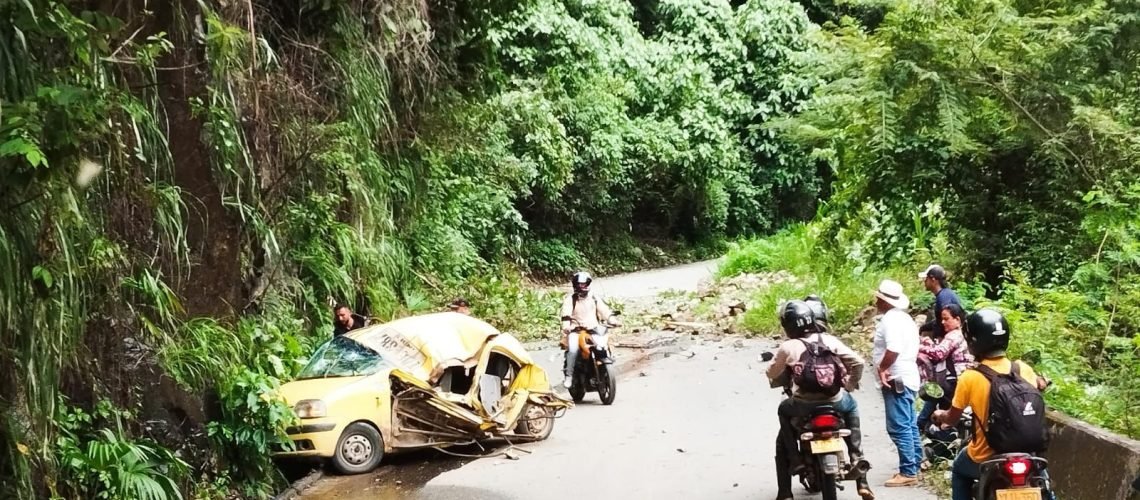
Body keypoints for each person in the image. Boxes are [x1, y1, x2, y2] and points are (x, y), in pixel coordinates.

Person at [933, 309, 1053, 500]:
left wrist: (941, 416)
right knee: (1043, 482)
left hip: (985, 456)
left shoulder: (971, 377)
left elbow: (952, 417)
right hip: (1027, 454)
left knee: (959, 470)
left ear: (972, 341)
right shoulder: (1023, 369)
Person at [767, 299, 874, 500]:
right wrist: (849, 385)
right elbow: (858, 362)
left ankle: (788, 484)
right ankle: (859, 466)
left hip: (802, 405)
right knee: (851, 409)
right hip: (834, 401)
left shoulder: (788, 346)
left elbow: (772, 373)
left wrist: (773, 371)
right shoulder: (829, 340)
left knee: (783, 411)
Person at [872, 279, 923, 487]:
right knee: (909, 424)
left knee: (899, 426)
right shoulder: (906, 320)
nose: (876, 300)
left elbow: (893, 349)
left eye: (879, 298)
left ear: (885, 301)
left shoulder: (890, 321)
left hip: (896, 377)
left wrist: (883, 368)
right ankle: (916, 464)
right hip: (909, 375)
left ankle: (908, 471)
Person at [916, 303, 973, 463]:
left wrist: (918, 346)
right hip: (960, 382)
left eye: (946, 319)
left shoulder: (954, 335)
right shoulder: (962, 335)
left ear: (957, 319)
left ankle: (932, 449)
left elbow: (938, 353)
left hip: (955, 383)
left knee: (943, 417)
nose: (943, 322)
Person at [560, 271, 615, 389]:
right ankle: (569, 376)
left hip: (593, 330)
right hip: (576, 331)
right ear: (575, 285)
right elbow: (566, 315)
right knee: (573, 350)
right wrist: (566, 326)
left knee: (604, 346)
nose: (582, 287)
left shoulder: (594, 298)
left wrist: (612, 319)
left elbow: (604, 311)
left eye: (584, 284)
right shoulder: (570, 299)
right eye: (579, 284)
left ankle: (603, 368)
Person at [918, 264, 962, 339]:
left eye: (926, 279)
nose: (924, 281)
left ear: (933, 279)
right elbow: (939, 321)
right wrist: (924, 327)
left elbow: (949, 322)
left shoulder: (944, 297)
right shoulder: (943, 295)